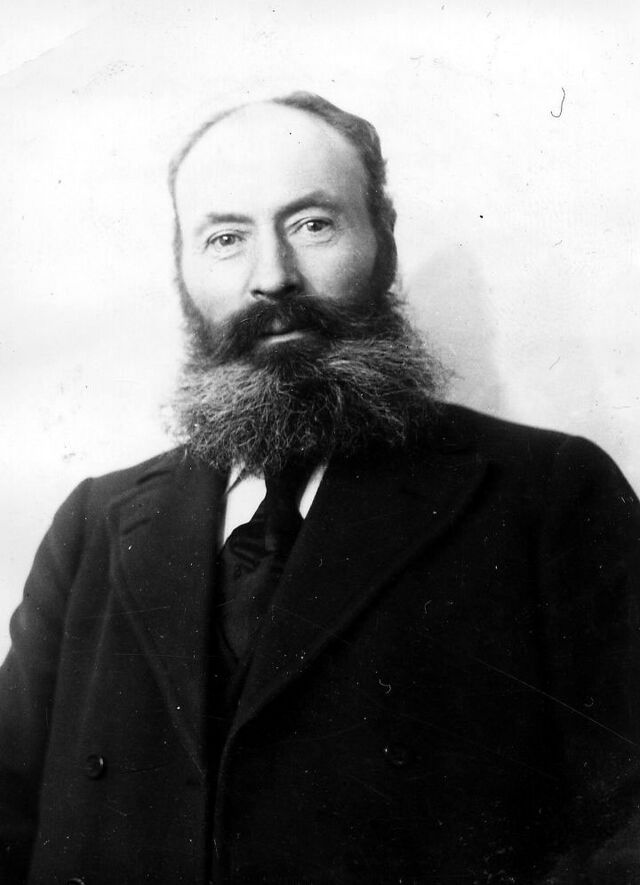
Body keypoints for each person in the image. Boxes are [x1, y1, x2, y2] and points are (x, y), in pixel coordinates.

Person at [0, 91, 639, 885]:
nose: (273, 276)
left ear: (384, 240)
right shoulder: (93, 525)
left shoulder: (548, 495)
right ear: (182, 271)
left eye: (312, 224)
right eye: (226, 238)